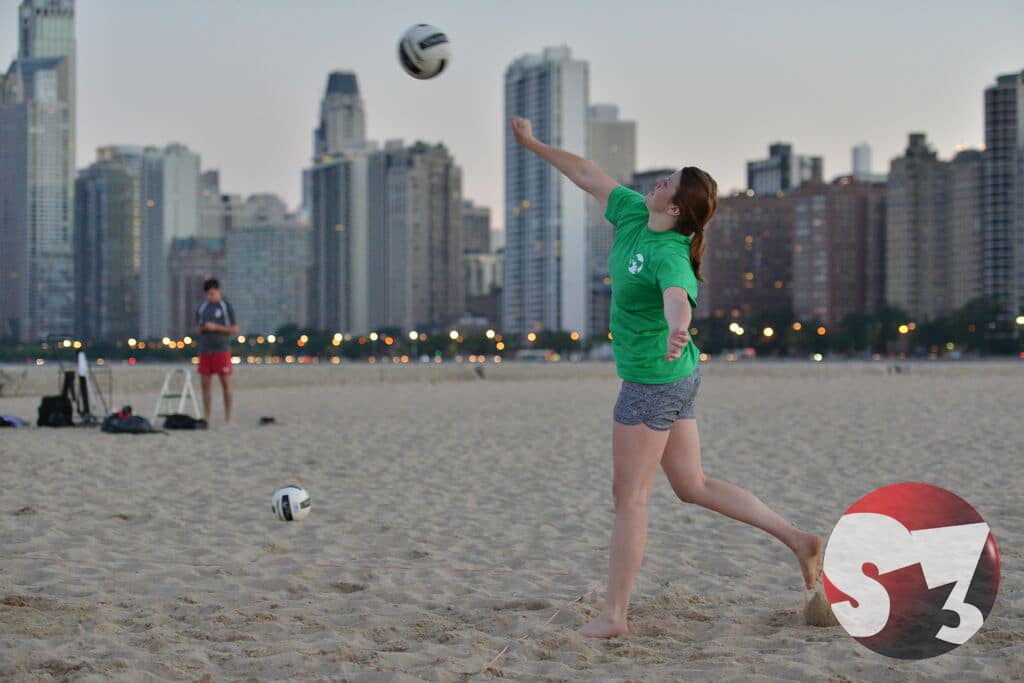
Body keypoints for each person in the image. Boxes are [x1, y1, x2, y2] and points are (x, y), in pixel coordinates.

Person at [509, 116, 825, 639]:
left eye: (667, 183)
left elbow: (678, 300)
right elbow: (588, 173)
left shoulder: (669, 254)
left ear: (675, 208)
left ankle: (614, 617)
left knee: (630, 498)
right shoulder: (634, 213)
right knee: (692, 485)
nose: (656, 183)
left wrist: (679, 329)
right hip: (676, 375)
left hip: (655, 381)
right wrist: (533, 144)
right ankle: (799, 539)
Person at [195, 278, 238, 425]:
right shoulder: (202, 308)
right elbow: (198, 329)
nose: (210, 297)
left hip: (222, 349)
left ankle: (228, 417)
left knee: (225, 382)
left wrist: (216, 327)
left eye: (212, 293)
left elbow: (234, 329)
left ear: (218, 291)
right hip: (205, 350)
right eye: (208, 294)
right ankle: (207, 416)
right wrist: (205, 328)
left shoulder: (226, 307)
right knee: (205, 384)